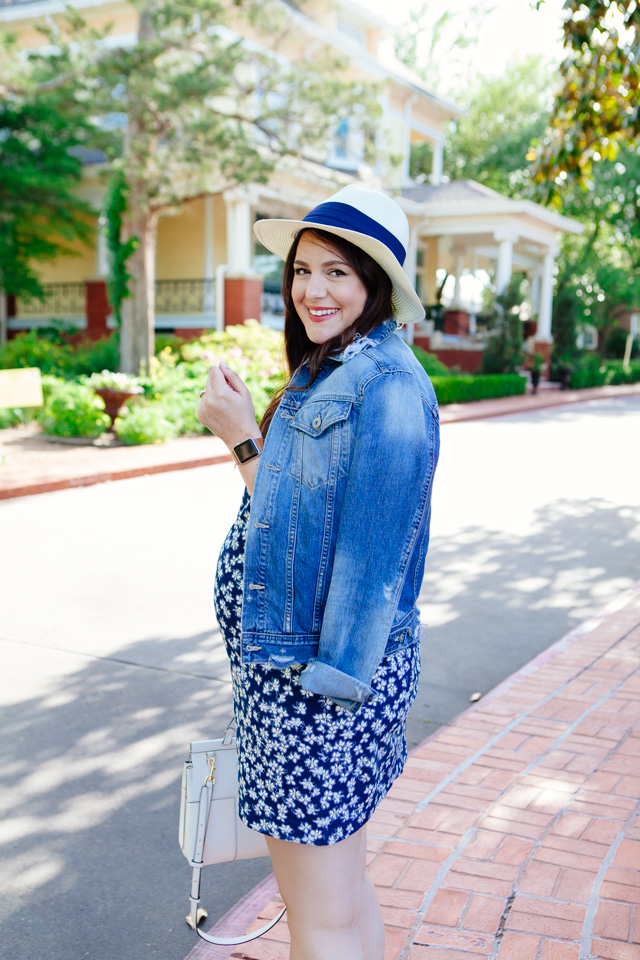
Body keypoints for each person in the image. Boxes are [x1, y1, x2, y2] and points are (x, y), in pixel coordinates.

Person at [197, 185, 440, 960]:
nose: (311, 290)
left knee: (321, 919)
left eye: (337, 272)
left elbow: (363, 565)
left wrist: (241, 441)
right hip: (292, 689)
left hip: (317, 695)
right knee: (339, 901)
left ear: (374, 282)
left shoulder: (388, 386)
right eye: (303, 270)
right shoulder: (337, 367)